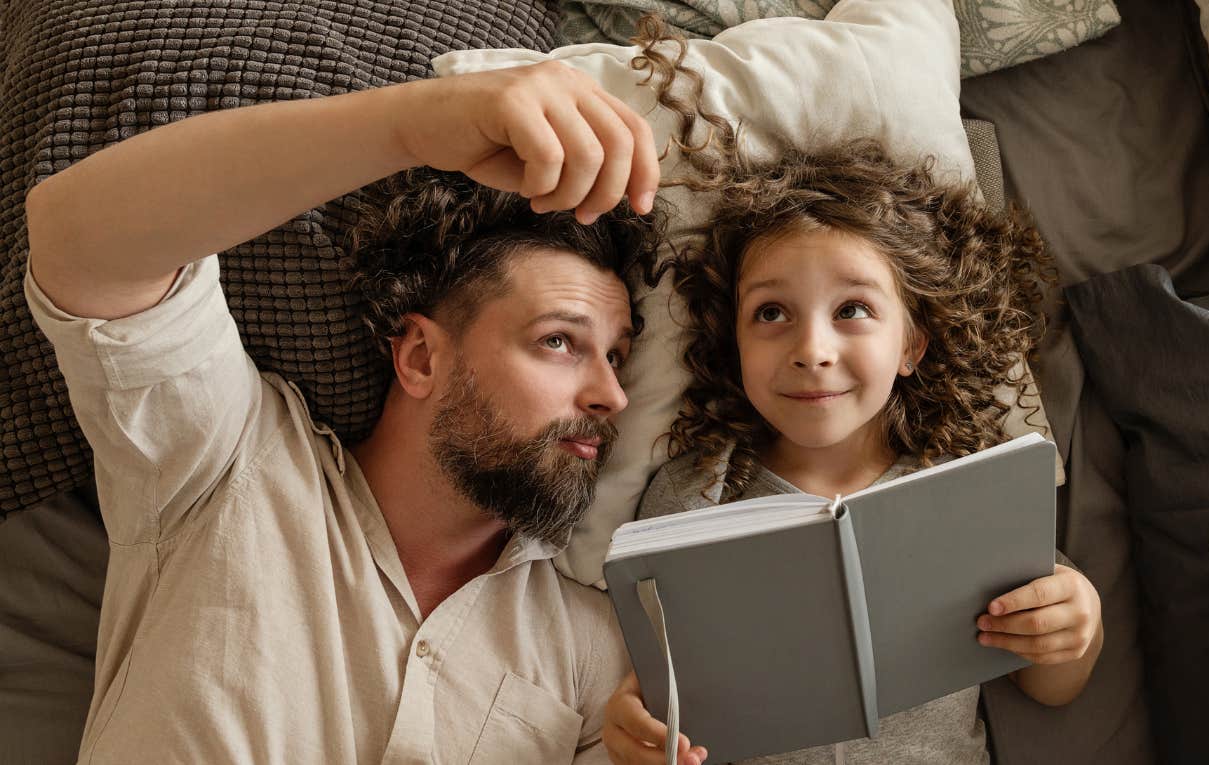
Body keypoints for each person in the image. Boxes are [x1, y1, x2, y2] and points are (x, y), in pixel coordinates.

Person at [23, 62, 665, 763]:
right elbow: (78, 234)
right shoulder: (226, 458)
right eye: (560, 341)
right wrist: (415, 124)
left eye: (617, 356)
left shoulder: (600, 656)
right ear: (420, 356)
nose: (612, 395)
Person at [599, 42, 1105, 765]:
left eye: (853, 311)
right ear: (732, 341)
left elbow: (1051, 683)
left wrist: (1075, 617)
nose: (812, 349)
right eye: (771, 314)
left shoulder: (966, 490)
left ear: (913, 345)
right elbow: (656, 685)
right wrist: (633, 723)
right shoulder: (693, 498)